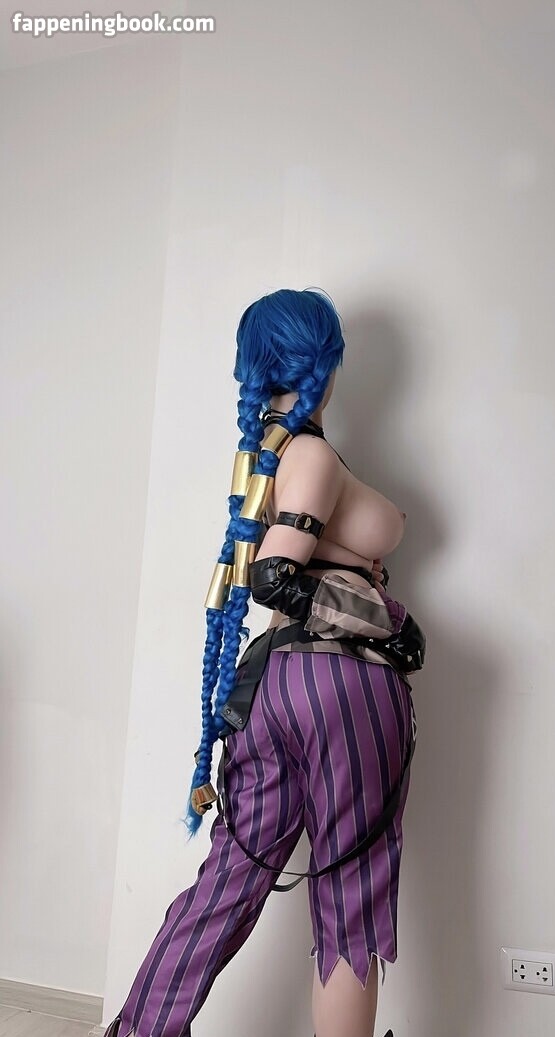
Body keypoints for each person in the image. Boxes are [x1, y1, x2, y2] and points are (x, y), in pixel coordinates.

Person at [102, 288, 425, 1037]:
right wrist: (388, 629)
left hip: (272, 688)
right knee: (350, 893)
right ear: (327, 362)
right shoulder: (309, 453)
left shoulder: (264, 459)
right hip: (341, 684)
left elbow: (275, 563)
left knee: (228, 882)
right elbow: (275, 576)